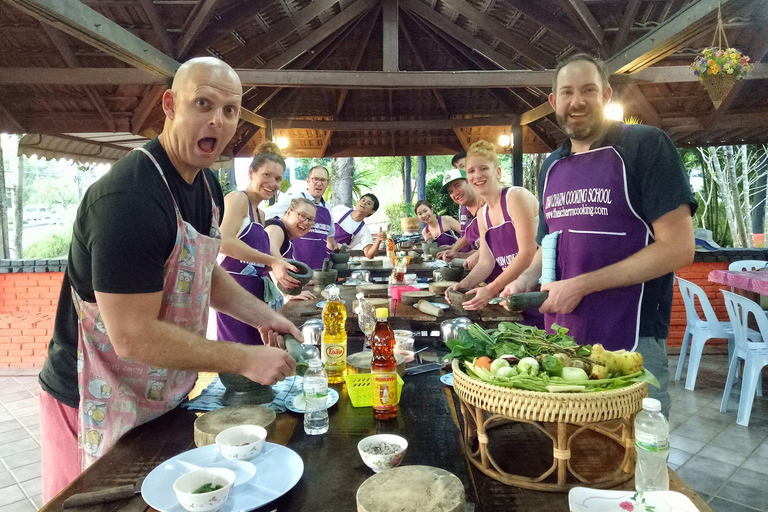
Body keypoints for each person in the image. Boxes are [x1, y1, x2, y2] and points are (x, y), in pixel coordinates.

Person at [37, 57, 300, 502]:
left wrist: (265, 315)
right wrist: (242, 359)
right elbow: (133, 337)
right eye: (203, 103)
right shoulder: (130, 198)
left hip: (160, 395)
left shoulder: (208, 185)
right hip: (90, 399)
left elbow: (199, 269)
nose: (217, 119)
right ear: (170, 105)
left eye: (230, 110)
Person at [504, 53, 696, 417]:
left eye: (588, 90)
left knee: (632, 457)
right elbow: (548, 244)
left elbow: (678, 248)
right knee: (572, 452)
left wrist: (580, 286)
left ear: (606, 95)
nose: (577, 101)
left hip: (631, 342)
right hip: (562, 342)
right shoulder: (551, 166)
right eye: (567, 92)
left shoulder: (645, 146)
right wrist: (524, 280)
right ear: (554, 101)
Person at [446, 141, 540, 325]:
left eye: (483, 168)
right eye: (471, 171)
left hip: (540, 291)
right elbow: (486, 262)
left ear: (497, 171)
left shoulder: (515, 197)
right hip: (513, 296)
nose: (477, 175)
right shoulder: (483, 214)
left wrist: (490, 289)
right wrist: (463, 286)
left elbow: (527, 253)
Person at [217, 142, 299, 344]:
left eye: (278, 179)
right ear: (251, 172)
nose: (273, 183)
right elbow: (224, 241)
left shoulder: (261, 214)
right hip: (231, 297)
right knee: (237, 361)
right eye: (267, 175)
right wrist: (272, 260)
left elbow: (262, 265)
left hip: (255, 299)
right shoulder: (237, 199)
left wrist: (287, 291)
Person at [264, 165, 335, 269]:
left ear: (327, 183)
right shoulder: (295, 199)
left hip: (318, 270)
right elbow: (266, 217)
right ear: (308, 181)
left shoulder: (327, 208)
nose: (319, 183)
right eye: (315, 179)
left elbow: (330, 240)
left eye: (323, 180)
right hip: (294, 267)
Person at [265, 198, 318, 301]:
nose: (306, 222)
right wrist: (288, 294)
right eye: (302, 216)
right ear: (289, 212)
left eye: (311, 219)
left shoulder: (287, 235)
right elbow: (271, 254)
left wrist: (300, 280)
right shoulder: (276, 228)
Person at [437, 168, 484, 268]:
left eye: (457, 185)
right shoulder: (471, 216)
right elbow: (470, 236)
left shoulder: (488, 208)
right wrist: (455, 251)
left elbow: (493, 250)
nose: (455, 193)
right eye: (450, 192)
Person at [332, 193, 385, 259]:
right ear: (358, 202)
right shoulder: (340, 209)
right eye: (363, 200)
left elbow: (369, 254)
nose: (364, 203)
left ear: (372, 211)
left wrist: (378, 241)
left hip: (333, 259)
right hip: (317, 246)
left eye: (368, 203)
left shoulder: (364, 230)